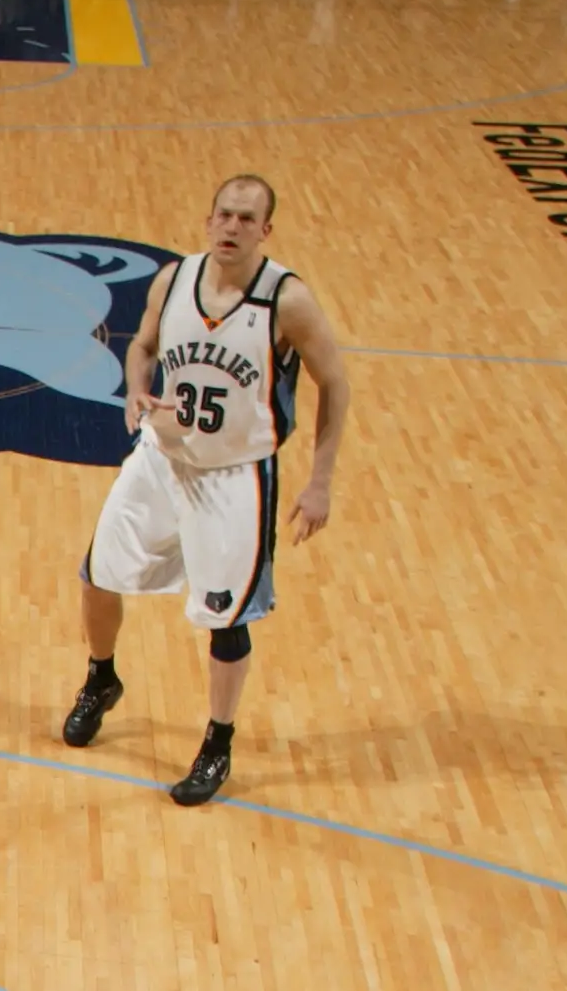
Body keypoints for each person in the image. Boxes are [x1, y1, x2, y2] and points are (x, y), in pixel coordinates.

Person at [64, 174, 353, 807]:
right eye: (225, 215)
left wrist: (320, 483)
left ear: (265, 231)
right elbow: (140, 345)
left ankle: (218, 742)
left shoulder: (288, 301)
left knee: (226, 618)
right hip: (162, 458)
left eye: (248, 219)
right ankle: (100, 679)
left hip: (235, 476)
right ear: (208, 220)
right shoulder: (173, 281)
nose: (232, 227)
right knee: (97, 574)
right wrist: (136, 388)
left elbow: (336, 383)